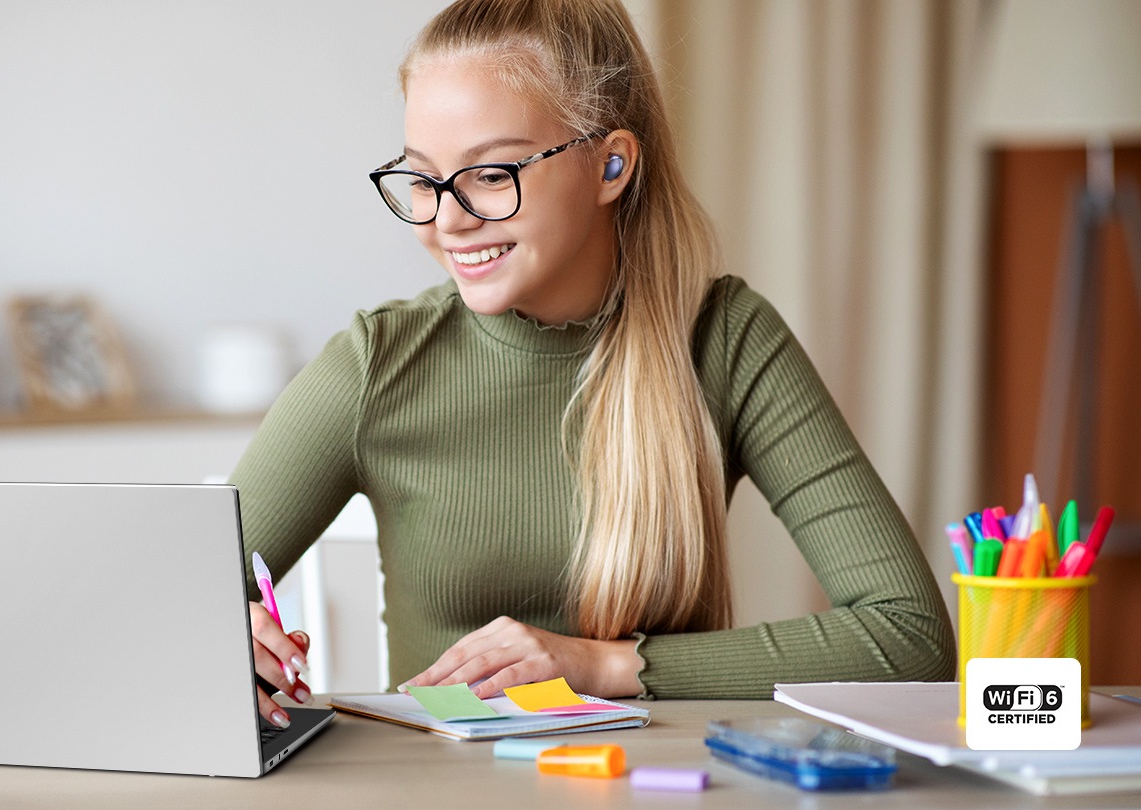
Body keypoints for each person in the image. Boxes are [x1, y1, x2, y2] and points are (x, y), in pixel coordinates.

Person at [233, 0, 955, 730]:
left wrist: (603, 664)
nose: (448, 219)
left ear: (611, 163)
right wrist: (222, 641)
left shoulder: (727, 340)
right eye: (423, 180)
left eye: (488, 174)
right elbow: (155, 606)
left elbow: (911, 635)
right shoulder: (377, 363)